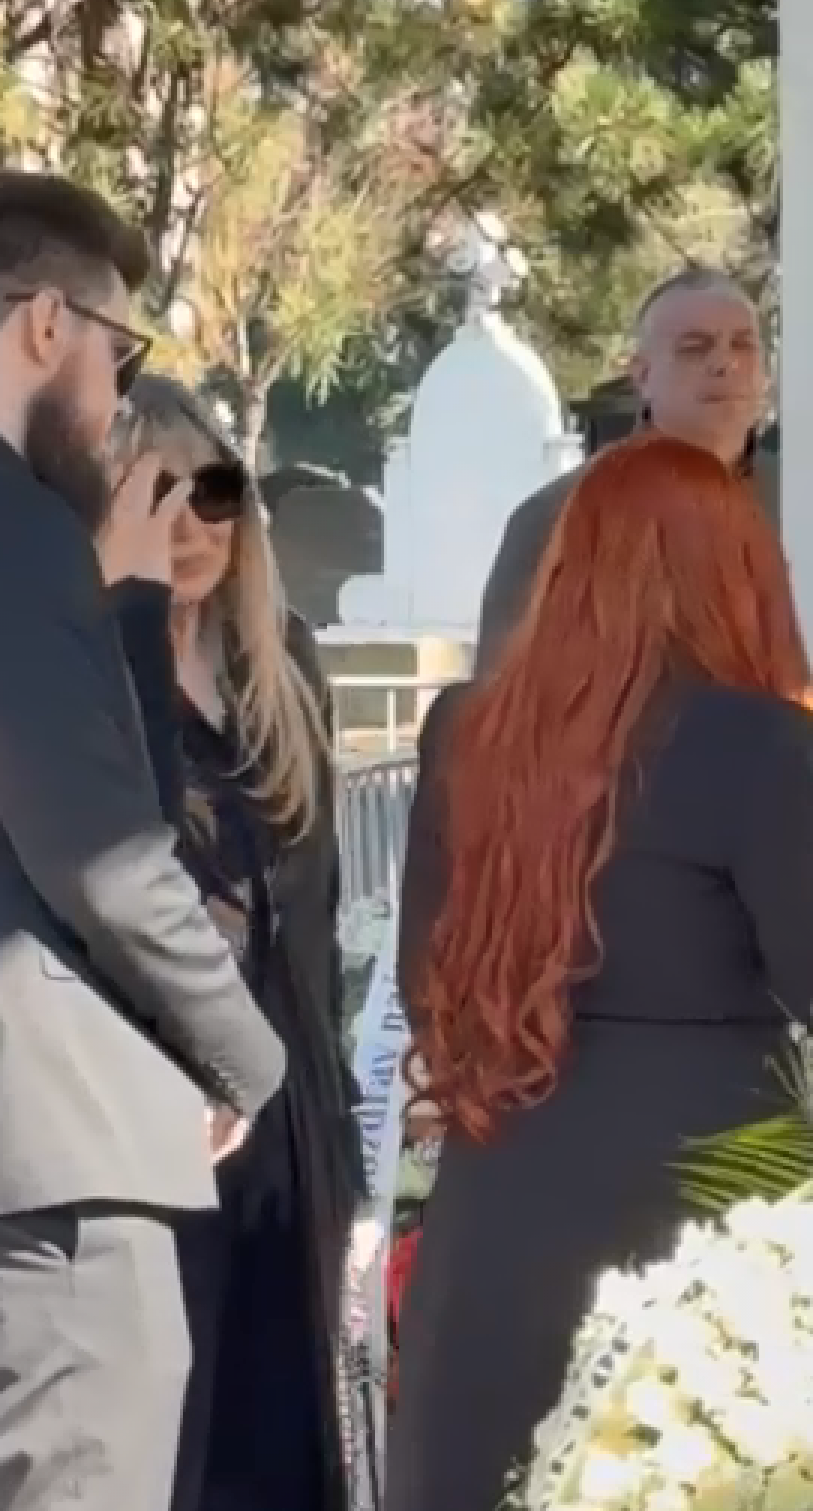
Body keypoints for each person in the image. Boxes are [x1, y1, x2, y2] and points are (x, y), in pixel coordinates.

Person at [0, 176, 285, 1511]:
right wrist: (242, 1053)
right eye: (117, 355)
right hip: (35, 1176)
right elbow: (106, 857)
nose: (114, 396)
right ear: (44, 325)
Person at [388, 435, 813, 1511]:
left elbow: (424, 974)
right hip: (702, 1208)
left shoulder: (464, 732)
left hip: (501, 1186)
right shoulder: (762, 747)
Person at [100, 373, 373, 1511]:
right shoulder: (87, 673)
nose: (190, 525)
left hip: (292, 1126)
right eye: (152, 493)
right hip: (160, 1125)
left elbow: (317, 917)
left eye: (212, 491)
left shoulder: (285, 662)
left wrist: (340, 1137)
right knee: (173, 1453)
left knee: (290, 1449)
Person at [476, 268, 777, 673]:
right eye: (694, 348)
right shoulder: (560, 518)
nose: (724, 363)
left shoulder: (797, 499)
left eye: (743, 345)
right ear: (643, 376)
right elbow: (505, 691)